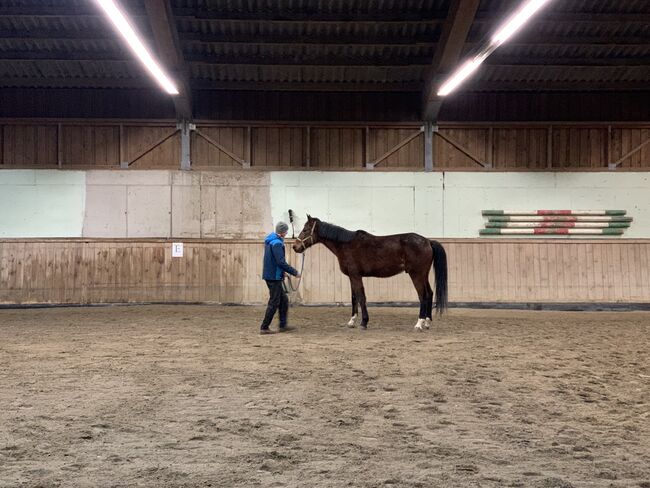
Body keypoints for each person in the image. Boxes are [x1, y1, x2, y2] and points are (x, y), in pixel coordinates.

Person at [260, 222, 300, 334]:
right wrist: (294, 272)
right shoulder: (277, 243)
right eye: (286, 231)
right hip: (274, 277)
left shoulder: (271, 241)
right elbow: (280, 262)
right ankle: (264, 327)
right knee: (274, 302)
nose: (287, 233)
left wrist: (283, 273)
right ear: (282, 232)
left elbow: (274, 261)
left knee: (283, 300)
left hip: (272, 275)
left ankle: (283, 325)